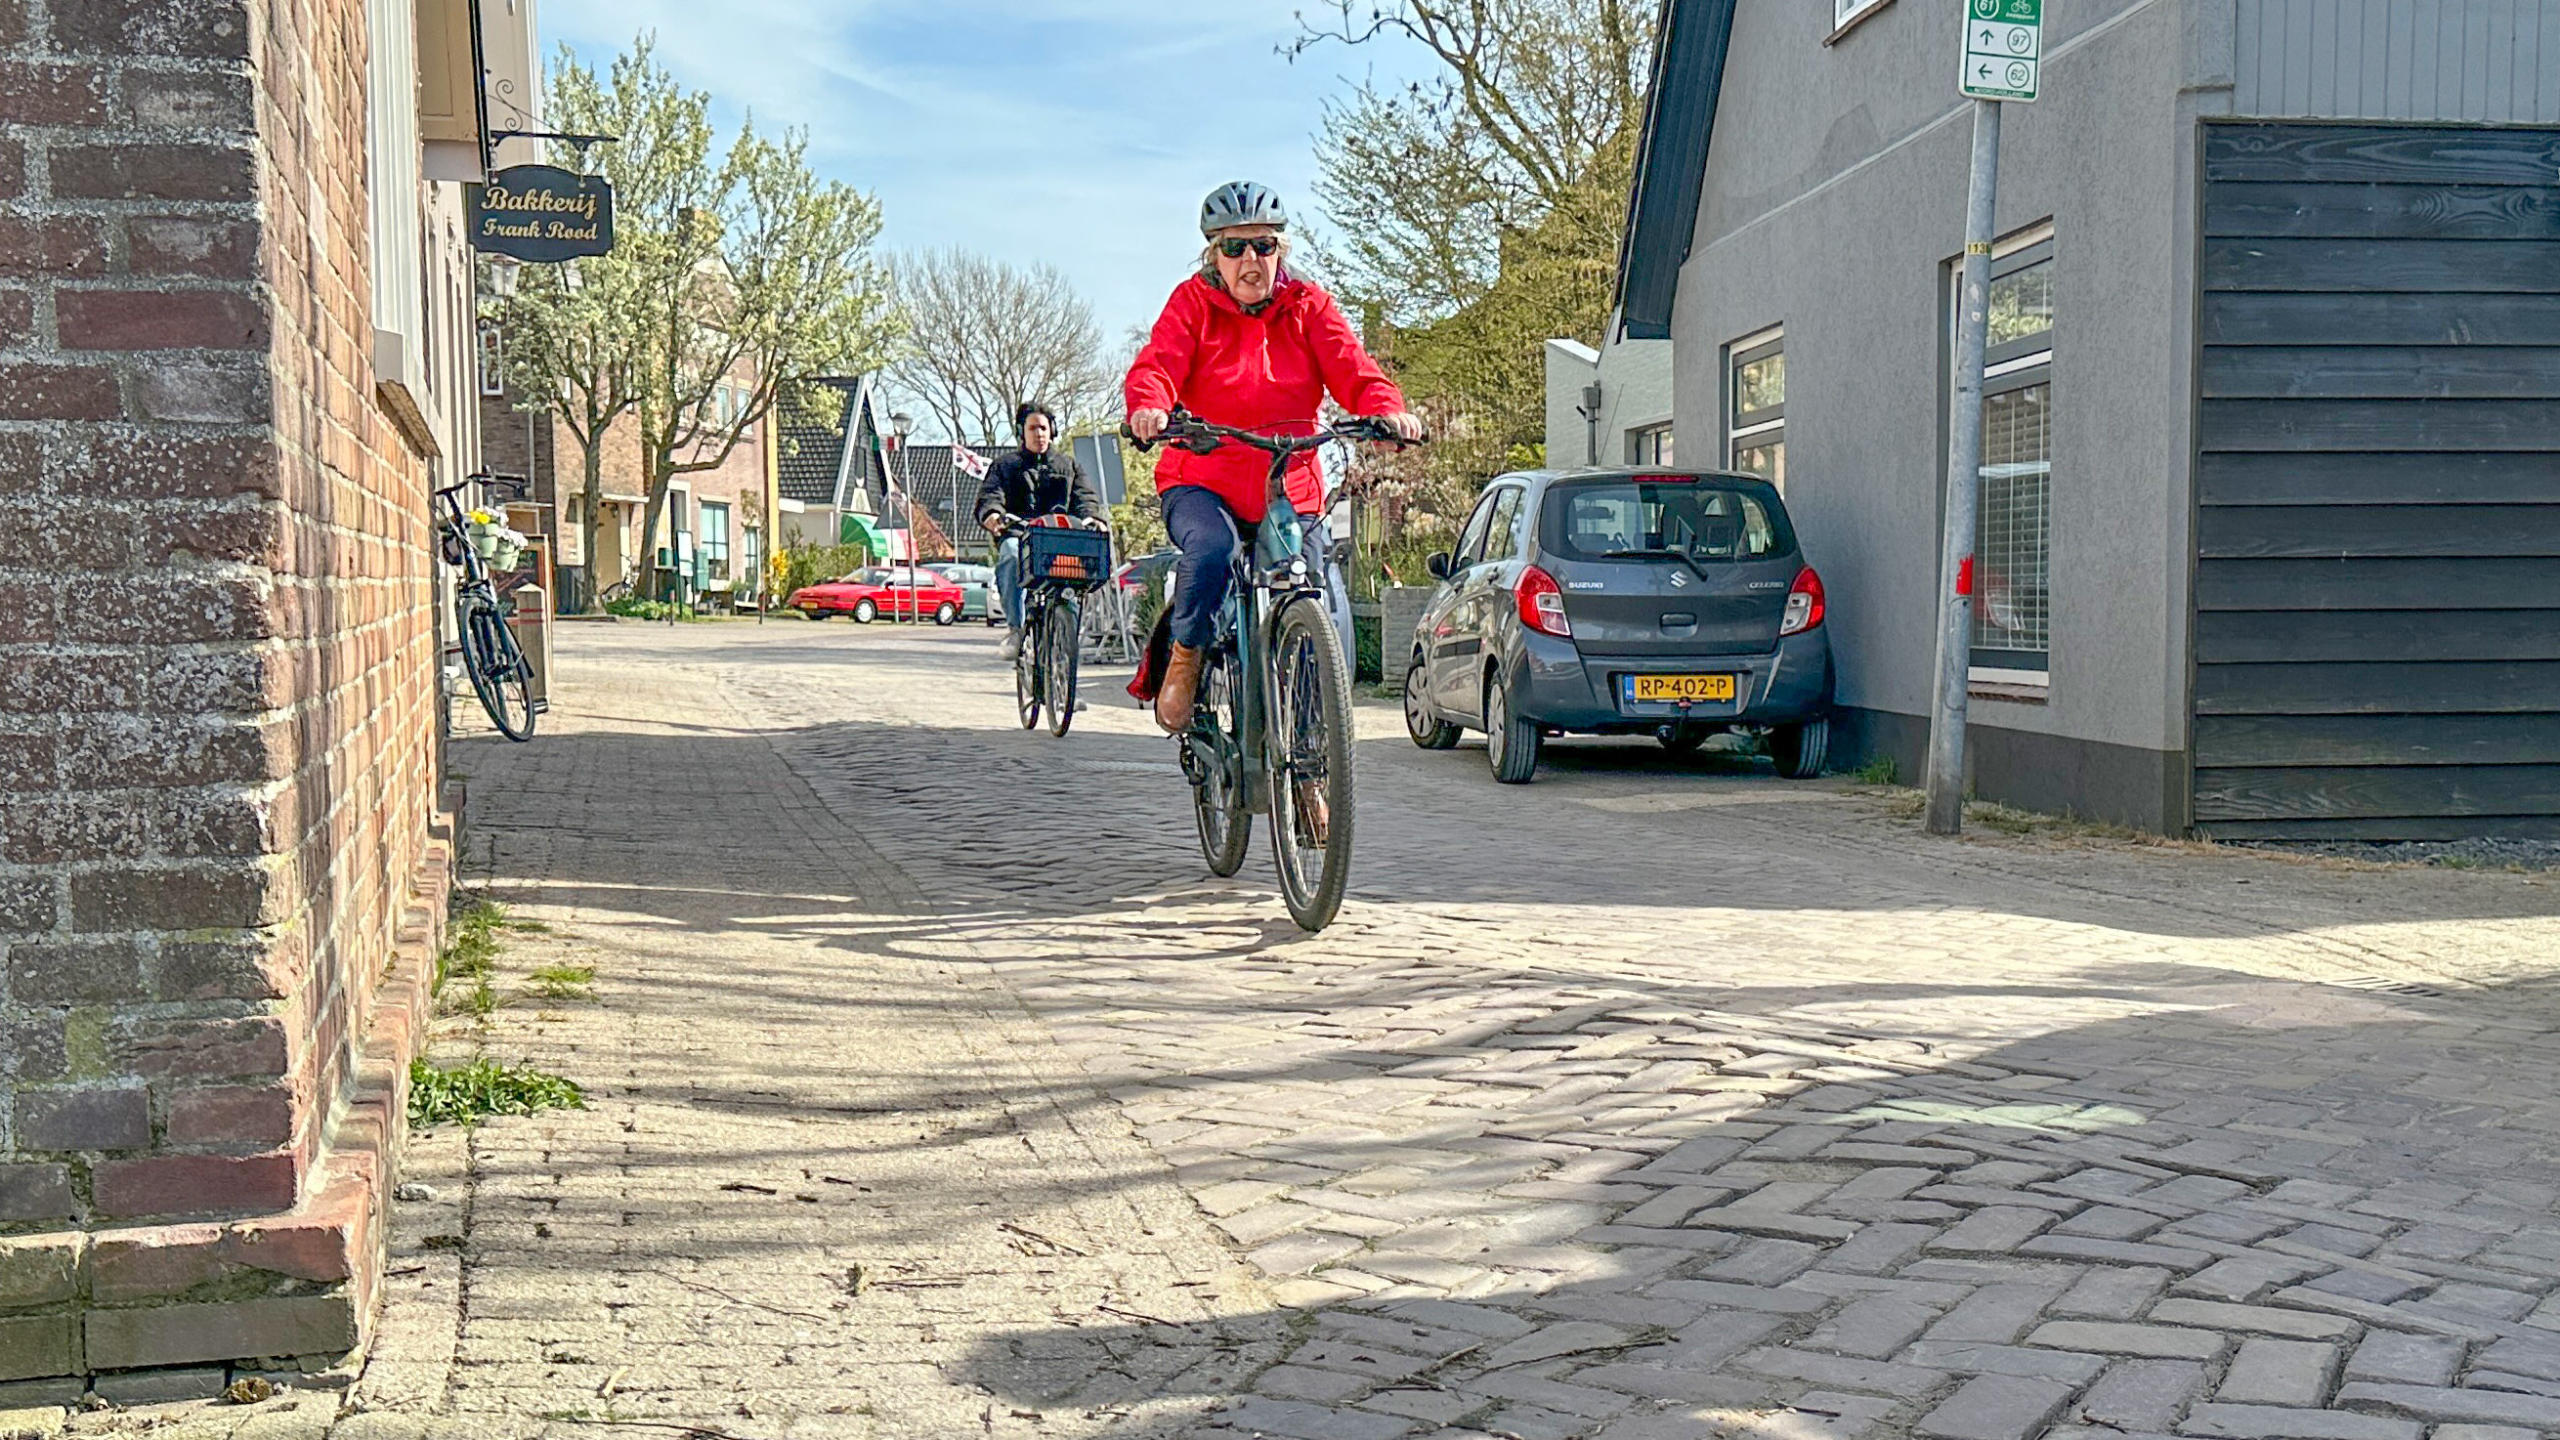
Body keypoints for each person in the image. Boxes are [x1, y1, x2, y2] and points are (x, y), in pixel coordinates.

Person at [1126, 181, 1422, 732]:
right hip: (1203, 479)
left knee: (1310, 603)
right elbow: (1158, 365)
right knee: (1212, 551)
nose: (1250, 260)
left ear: (1280, 250)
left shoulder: (1309, 305)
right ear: (1213, 254)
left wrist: (1386, 412)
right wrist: (1150, 407)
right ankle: (1186, 659)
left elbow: (1355, 372)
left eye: (1263, 245)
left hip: (1289, 486)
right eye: (1234, 248)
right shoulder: (1192, 303)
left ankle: (1311, 760)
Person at [976, 401, 1106, 660]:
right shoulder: (1004, 466)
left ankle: (1067, 676)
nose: (1040, 434)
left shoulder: (1069, 466)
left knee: (1073, 588)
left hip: (1059, 540)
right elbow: (991, 496)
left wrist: (1093, 518)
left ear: (1053, 430)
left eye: (1044, 428)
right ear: (1021, 432)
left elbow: (1085, 498)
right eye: (1033, 428)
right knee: (1011, 556)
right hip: (1019, 536)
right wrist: (991, 514)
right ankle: (1015, 629)